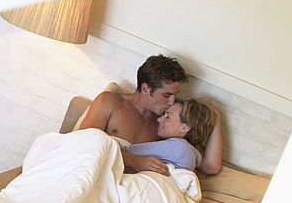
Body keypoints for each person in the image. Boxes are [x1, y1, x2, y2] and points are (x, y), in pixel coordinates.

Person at [77, 54, 222, 175]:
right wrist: (134, 161)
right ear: (146, 89)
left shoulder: (170, 121)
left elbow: (210, 166)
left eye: (175, 95)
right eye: (166, 95)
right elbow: (81, 144)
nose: (172, 101)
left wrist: (215, 118)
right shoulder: (110, 102)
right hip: (97, 171)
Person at [127, 99, 215, 171]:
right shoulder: (194, 155)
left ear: (184, 128)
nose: (159, 119)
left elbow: (124, 153)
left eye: (168, 116)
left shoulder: (178, 147)